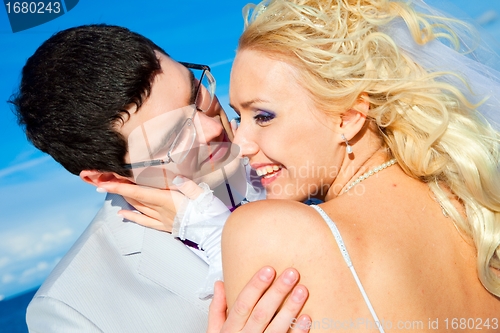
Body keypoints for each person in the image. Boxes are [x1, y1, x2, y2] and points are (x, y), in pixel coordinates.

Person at [10, 24, 310, 332]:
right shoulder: (70, 310)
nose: (212, 129)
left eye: (196, 93)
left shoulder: (298, 133)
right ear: (108, 177)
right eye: (174, 137)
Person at [221, 0, 500, 331]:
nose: (239, 145)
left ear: (349, 116)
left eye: (263, 116)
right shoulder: (473, 207)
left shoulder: (267, 231)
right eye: (239, 117)